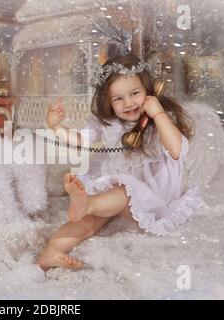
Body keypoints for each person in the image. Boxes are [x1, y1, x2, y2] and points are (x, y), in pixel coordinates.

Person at [37, 53, 206, 271]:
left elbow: (175, 150)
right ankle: (51, 252)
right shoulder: (108, 123)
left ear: (149, 92)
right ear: (108, 101)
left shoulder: (161, 121)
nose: (128, 103)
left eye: (134, 93)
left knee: (121, 193)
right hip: (117, 190)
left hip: (152, 196)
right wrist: (56, 127)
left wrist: (158, 114)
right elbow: (81, 140)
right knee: (90, 220)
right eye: (118, 98)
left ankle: (87, 203)